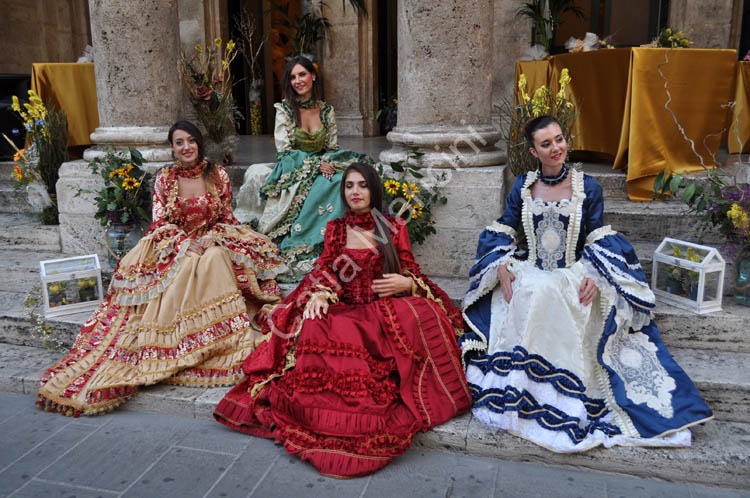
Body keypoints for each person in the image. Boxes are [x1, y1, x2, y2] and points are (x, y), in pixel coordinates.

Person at [460, 115, 713, 452]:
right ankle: (529, 387)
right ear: (533, 150)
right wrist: (503, 265)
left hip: (572, 272)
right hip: (533, 270)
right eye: (546, 143)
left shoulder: (587, 187)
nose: (556, 148)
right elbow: (504, 228)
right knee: (534, 289)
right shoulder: (522, 186)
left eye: (559, 139)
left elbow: (597, 237)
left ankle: (559, 388)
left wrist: (595, 273)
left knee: (551, 291)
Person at [214, 162, 471, 477]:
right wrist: (320, 293)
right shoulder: (336, 229)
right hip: (345, 311)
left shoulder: (391, 227)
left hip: (379, 314)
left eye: (362, 185)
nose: (356, 192)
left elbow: (412, 272)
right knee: (312, 320)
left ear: (373, 189)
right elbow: (325, 272)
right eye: (349, 186)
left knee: (413, 318)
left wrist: (407, 284)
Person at [37, 121, 287, 416]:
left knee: (216, 258)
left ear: (199, 144)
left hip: (211, 240)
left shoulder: (216, 174)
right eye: (179, 142)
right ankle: (184, 341)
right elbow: (160, 222)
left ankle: (219, 338)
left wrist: (210, 237)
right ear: (172, 148)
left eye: (191, 141)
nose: (186, 147)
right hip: (176, 245)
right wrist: (183, 243)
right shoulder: (165, 178)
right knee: (190, 262)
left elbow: (227, 217)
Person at [256, 56, 373, 281]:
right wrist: (316, 164)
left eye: (302, 74)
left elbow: (331, 147)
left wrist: (327, 162)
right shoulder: (285, 109)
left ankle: (341, 243)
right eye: (293, 77)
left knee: (345, 178)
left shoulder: (326, 111)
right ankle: (307, 246)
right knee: (332, 183)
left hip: (324, 163)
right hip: (295, 166)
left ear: (313, 76)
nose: (298, 80)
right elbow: (284, 151)